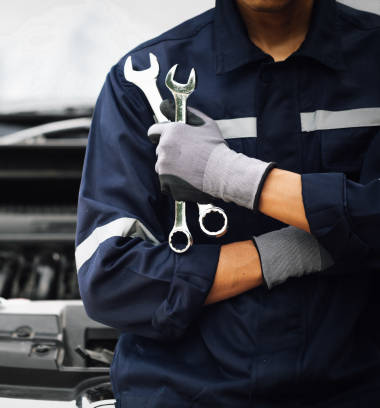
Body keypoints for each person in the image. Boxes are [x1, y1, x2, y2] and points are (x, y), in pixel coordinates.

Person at [75, 0, 380, 406]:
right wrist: (298, 248)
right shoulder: (144, 85)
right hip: (188, 394)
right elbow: (112, 278)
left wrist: (225, 172)